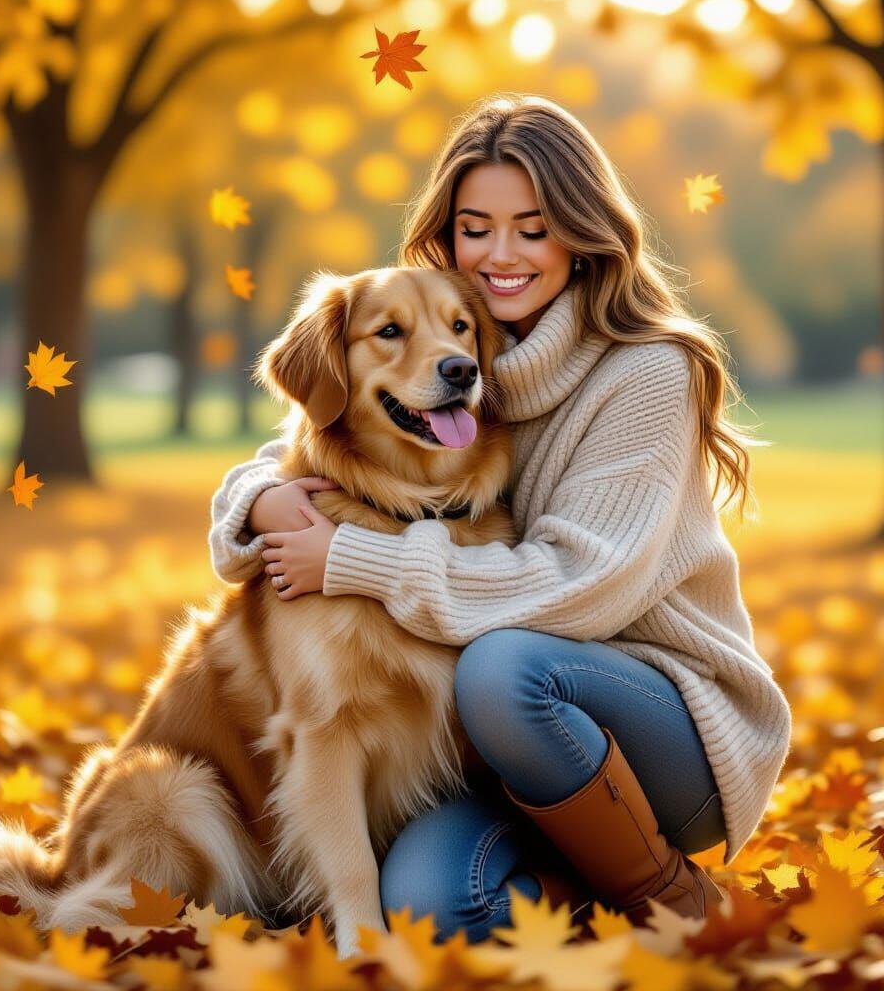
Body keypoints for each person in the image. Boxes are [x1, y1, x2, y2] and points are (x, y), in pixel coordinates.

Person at [208, 94, 792, 943]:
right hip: (508, 754)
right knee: (435, 911)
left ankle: (668, 893)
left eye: (533, 228)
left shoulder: (647, 373)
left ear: (581, 232)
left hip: (668, 725)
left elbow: (579, 588)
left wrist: (352, 559)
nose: (502, 254)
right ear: (447, 236)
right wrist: (258, 501)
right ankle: (581, 877)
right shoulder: (455, 351)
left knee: (500, 670)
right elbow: (312, 442)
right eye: (476, 228)